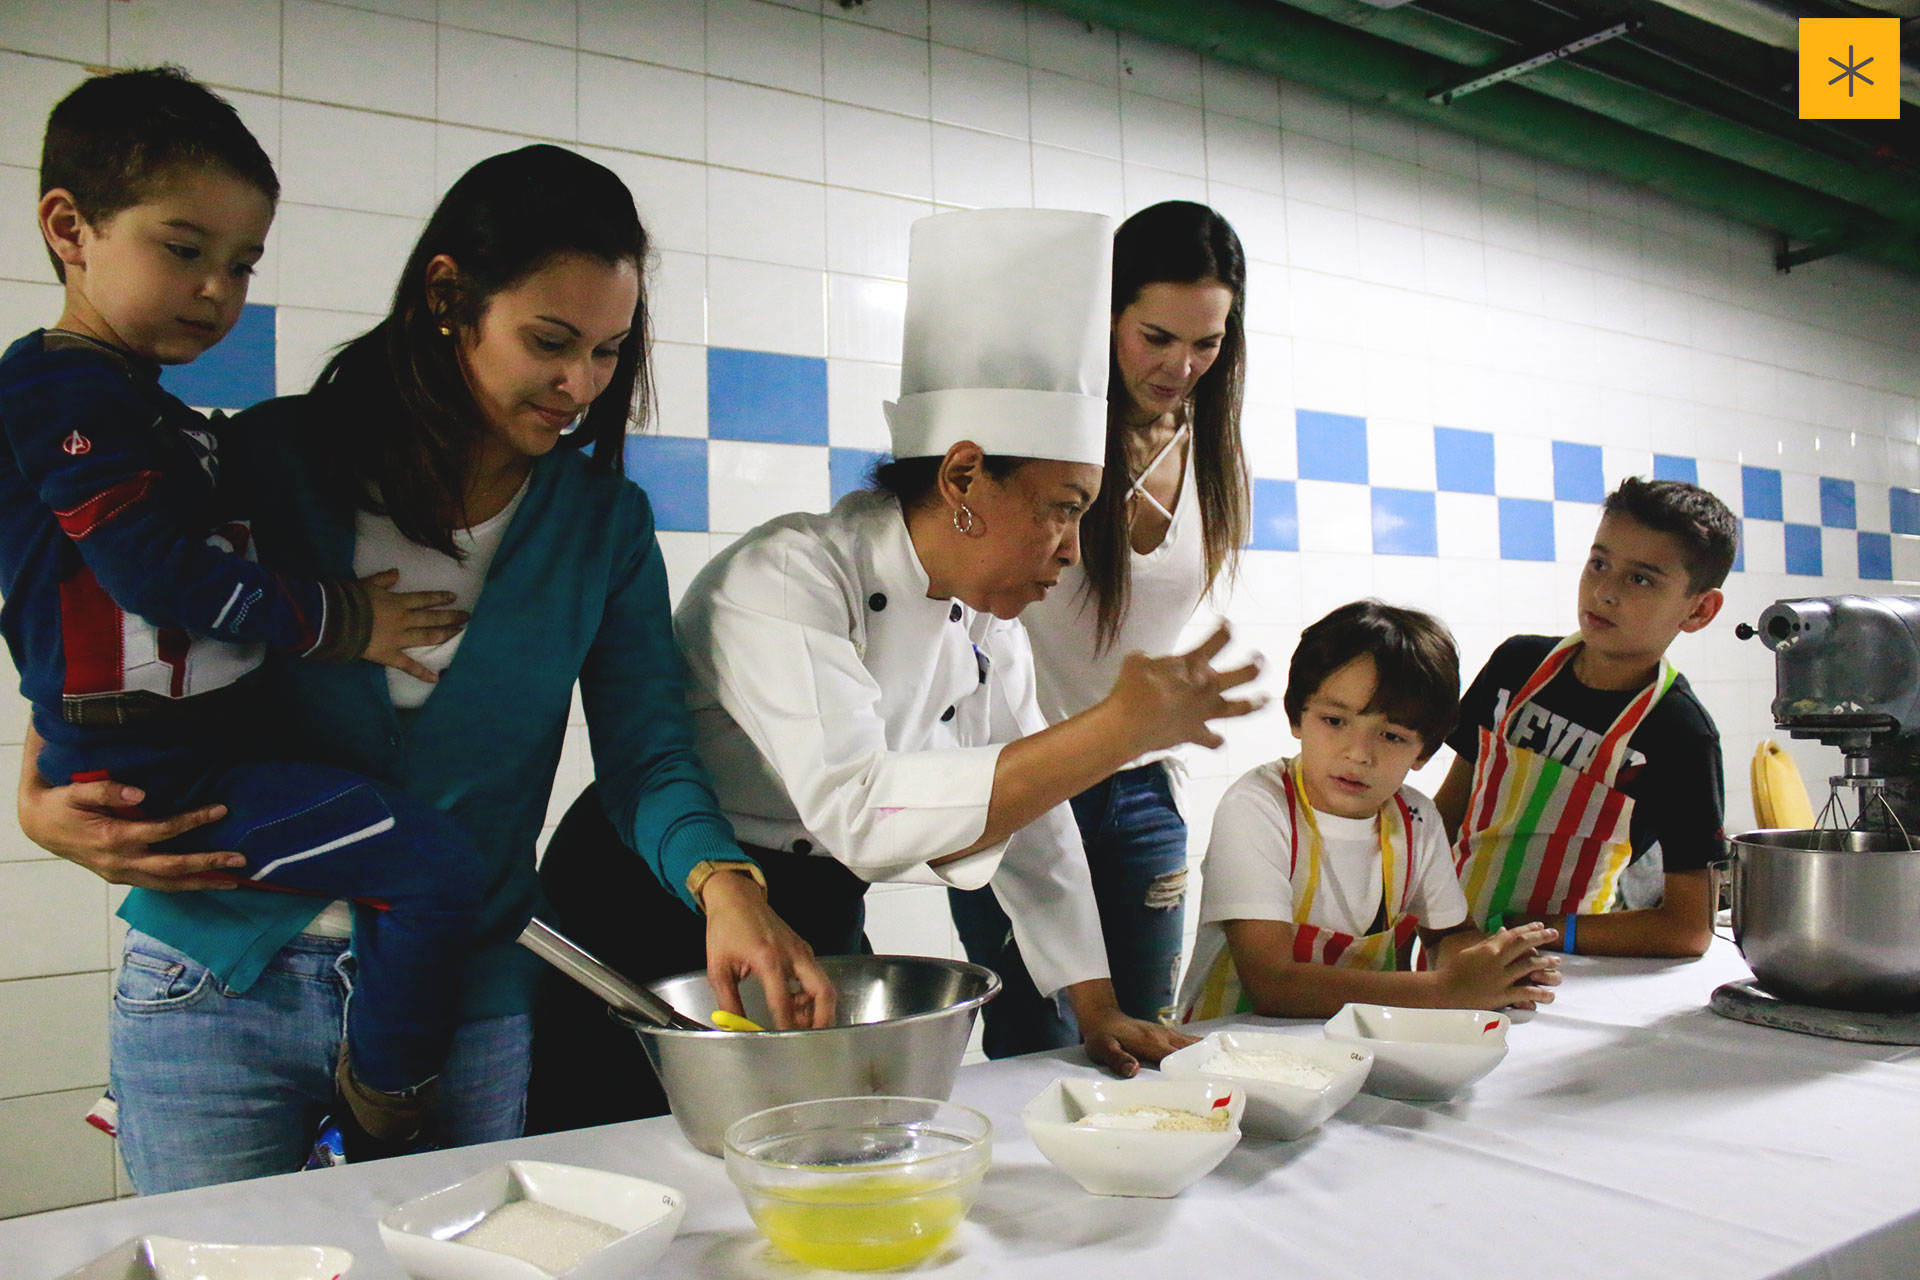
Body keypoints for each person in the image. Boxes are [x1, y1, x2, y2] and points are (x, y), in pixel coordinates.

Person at [16, 142, 829, 1193]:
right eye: (550, 340)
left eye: (609, 351)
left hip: (464, 992)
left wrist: (726, 884)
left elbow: (648, 753)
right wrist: (43, 791)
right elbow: (116, 614)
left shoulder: (603, 526)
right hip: (219, 971)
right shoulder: (272, 457)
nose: (580, 383)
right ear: (449, 296)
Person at [530, 209, 1258, 1132]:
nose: (1073, 554)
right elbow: (862, 809)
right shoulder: (789, 576)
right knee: (609, 1145)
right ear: (962, 479)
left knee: (806, 1148)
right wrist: (1116, 728)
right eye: (1062, 510)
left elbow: (1036, 835)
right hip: (655, 897)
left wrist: (1096, 1002)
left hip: (820, 903)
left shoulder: (992, 633)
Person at [1, 65, 509, 1162]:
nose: (217, 291)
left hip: (183, 751)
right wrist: (345, 621)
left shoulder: (153, 409)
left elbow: (45, 597)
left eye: (241, 264)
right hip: (177, 780)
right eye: (183, 250)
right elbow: (152, 576)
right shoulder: (60, 392)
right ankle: (388, 1096)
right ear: (69, 227)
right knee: (434, 867)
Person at [948, 200, 1251, 1054]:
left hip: (1142, 789)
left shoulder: (1216, 451)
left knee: (1146, 1036)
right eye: (1156, 336)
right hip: (1022, 776)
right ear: (1106, 313)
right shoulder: (1048, 439)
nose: (1181, 365)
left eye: (1208, 343)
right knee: (1034, 1044)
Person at [1177, 601, 1560, 1020]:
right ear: (1297, 717)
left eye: (1392, 736)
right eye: (1335, 721)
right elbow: (1273, 985)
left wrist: (1493, 969)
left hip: (1354, 1050)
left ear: (1424, 751)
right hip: (1231, 1049)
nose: (1359, 754)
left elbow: (1447, 936)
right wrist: (1445, 989)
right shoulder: (1258, 806)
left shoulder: (1415, 820)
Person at [1434, 477, 1736, 959]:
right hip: (1453, 939)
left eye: (1640, 578)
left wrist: (1531, 932)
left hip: (1570, 965)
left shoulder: (1680, 731)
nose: (1604, 591)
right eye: (1599, 563)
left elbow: (1688, 929)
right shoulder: (1516, 666)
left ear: (1700, 610)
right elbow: (1447, 811)